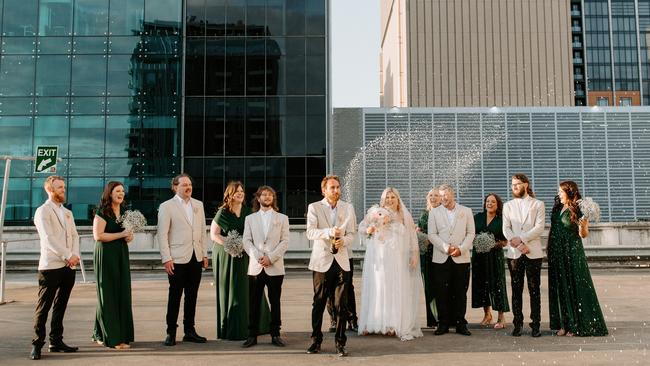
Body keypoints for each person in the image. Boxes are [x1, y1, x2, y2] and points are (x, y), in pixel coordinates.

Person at [358, 187, 423, 341]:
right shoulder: (375, 212)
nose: (390, 200)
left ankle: (392, 324)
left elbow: (412, 236)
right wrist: (369, 229)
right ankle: (375, 323)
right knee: (378, 287)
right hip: (378, 256)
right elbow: (362, 228)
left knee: (394, 288)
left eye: (393, 197)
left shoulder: (403, 215)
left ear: (398, 199)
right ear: (383, 199)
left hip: (396, 258)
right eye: (387, 197)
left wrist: (414, 254)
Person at [210, 181, 271, 340]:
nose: (240, 193)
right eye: (236, 191)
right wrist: (231, 245)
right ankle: (234, 328)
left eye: (242, 191)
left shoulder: (247, 212)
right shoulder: (223, 212)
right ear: (230, 194)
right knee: (234, 290)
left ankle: (257, 325)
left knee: (250, 287)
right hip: (227, 254)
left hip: (245, 254)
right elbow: (214, 234)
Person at [547, 181, 608, 337]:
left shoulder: (579, 209)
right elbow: (553, 230)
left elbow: (583, 235)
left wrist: (583, 225)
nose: (559, 194)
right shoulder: (557, 208)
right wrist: (549, 249)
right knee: (560, 288)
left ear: (569, 192)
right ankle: (563, 324)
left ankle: (576, 324)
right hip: (556, 252)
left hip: (572, 253)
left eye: (561, 191)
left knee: (574, 286)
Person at [306, 175, 357, 357]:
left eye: (337, 187)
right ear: (324, 190)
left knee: (341, 305)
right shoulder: (314, 207)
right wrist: (329, 232)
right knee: (318, 303)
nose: (336, 190)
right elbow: (310, 232)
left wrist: (343, 240)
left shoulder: (348, 207)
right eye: (332, 188)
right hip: (321, 262)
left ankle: (340, 342)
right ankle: (316, 341)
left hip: (341, 261)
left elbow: (353, 233)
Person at [31, 176, 80, 360]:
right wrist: (68, 255)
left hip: (69, 267)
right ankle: (37, 344)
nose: (63, 190)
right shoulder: (42, 211)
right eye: (59, 187)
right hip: (50, 266)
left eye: (64, 187)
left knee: (60, 306)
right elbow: (48, 238)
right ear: (49, 189)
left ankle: (56, 341)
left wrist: (74, 256)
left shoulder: (67, 212)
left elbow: (75, 236)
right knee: (43, 308)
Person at [158, 173, 208, 346]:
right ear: (175, 187)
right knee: (175, 296)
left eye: (190, 185)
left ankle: (190, 331)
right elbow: (162, 234)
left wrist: (205, 254)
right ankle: (171, 332)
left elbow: (202, 231)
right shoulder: (166, 206)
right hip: (176, 259)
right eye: (184, 185)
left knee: (192, 296)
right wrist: (166, 258)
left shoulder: (198, 205)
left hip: (196, 256)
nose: (188, 187)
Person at [241, 186, 290, 348]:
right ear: (258, 198)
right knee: (253, 302)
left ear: (273, 198)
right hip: (256, 267)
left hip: (275, 266)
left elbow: (285, 241)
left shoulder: (282, 218)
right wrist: (258, 256)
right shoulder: (250, 218)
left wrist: (271, 257)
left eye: (270, 194)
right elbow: (246, 241)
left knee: (275, 301)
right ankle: (251, 335)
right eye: (264, 194)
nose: (267, 197)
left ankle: (275, 334)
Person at [427, 184, 475, 336]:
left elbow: (471, 233)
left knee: (461, 291)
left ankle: (461, 323)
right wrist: (446, 248)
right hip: (441, 258)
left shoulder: (466, 211)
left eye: (445, 195)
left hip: (462, 258)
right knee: (442, 292)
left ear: (452, 194)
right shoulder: (434, 213)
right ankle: (443, 324)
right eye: (440, 196)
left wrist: (461, 248)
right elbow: (432, 234)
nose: (443, 199)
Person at [92, 181, 134, 349]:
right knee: (107, 293)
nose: (121, 193)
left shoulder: (124, 212)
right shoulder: (102, 212)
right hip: (106, 254)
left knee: (122, 291)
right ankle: (113, 338)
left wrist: (129, 236)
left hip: (121, 253)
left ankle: (99, 332)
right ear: (109, 193)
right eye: (117, 191)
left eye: (123, 191)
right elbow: (98, 236)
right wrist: (121, 234)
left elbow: (128, 236)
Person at [502, 173, 545, 337]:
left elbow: (539, 227)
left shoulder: (538, 204)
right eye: (512, 185)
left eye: (517, 184)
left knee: (534, 289)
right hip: (515, 254)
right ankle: (517, 324)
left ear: (526, 185)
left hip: (533, 252)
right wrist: (520, 245)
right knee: (516, 289)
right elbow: (506, 229)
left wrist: (523, 239)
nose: (514, 187)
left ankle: (536, 325)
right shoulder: (508, 206)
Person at [471, 193, 509, 330]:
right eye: (488, 201)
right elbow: (470, 234)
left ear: (498, 204)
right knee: (482, 285)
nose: (490, 204)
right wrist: (477, 240)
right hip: (479, 256)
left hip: (494, 257)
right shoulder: (478, 217)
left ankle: (501, 316)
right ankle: (487, 315)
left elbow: (505, 241)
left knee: (497, 285)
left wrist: (494, 244)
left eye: (493, 202)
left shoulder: (502, 220)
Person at [416, 188, 440, 328]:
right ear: (427, 198)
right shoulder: (423, 214)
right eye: (430, 195)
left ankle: (442, 317)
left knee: (440, 286)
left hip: (440, 252)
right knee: (429, 287)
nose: (433, 197)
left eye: (436, 195)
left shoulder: (443, 213)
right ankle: (432, 319)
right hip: (426, 255)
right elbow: (420, 230)